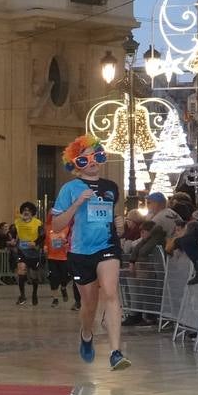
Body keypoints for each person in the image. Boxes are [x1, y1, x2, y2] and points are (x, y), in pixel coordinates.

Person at [50, 136, 129, 371]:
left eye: (98, 155)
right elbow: (56, 225)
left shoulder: (111, 187)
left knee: (111, 292)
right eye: (85, 158)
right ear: (76, 163)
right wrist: (76, 205)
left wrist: (120, 221)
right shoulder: (70, 188)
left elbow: (115, 214)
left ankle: (116, 352)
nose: (93, 161)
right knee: (89, 305)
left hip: (107, 246)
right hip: (81, 252)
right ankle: (86, 334)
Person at [12, 201, 46, 306]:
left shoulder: (38, 222)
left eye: (29, 210)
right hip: (22, 251)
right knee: (21, 270)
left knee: (33, 275)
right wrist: (13, 240)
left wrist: (35, 243)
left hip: (33, 252)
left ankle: (34, 293)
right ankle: (22, 296)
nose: (26, 212)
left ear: (32, 212)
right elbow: (13, 234)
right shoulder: (17, 222)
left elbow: (42, 236)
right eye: (24, 210)